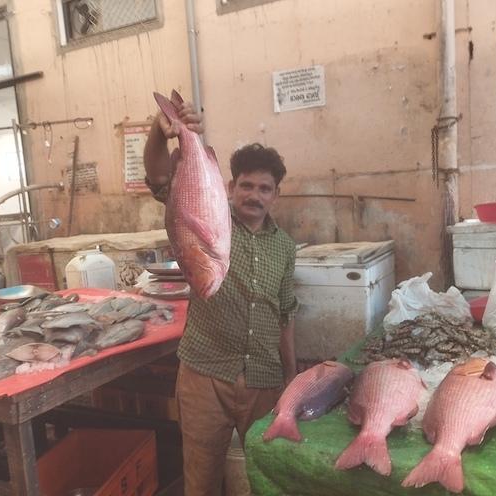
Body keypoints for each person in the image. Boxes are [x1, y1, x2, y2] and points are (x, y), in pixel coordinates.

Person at [143, 98, 298, 496]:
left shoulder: (285, 247)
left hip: (263, 379)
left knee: (266, 478)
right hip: (204, 375)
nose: (254, 195)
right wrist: (159, 135)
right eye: (246, 185)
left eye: (265, 188)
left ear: (276, 195)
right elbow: (160, 178)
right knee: (201, 480)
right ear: (229, 187)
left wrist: (291, 377)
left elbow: (285, 315)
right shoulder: (206, 210)